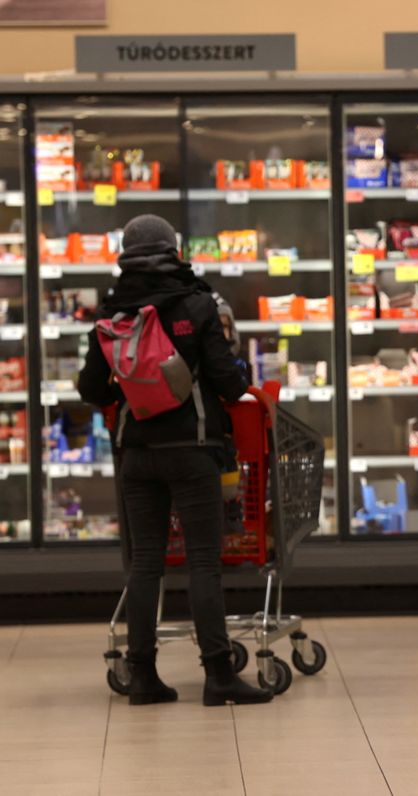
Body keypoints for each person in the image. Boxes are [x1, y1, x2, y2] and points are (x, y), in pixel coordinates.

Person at [78, 214, 274, 707]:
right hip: (193, 450)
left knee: (145, 564)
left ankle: (142, 674)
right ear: (174, 250)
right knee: (203, 562)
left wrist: (132, 388)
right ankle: (218, 675)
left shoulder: (112, 311)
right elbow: (229, 384)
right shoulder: (197, 303)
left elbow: (87, 388)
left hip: (137, 453)